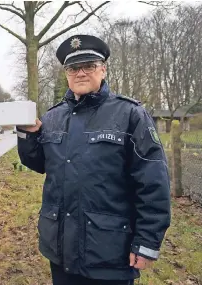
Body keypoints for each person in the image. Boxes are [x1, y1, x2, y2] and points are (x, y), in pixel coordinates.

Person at [16, 35, 171, 285]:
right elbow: (40, 164)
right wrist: (27, 135)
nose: (80, 73)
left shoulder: (130, 114)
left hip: (110, 250)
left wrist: (147, 241)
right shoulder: (53, 116)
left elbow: (153, 182)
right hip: (61, 246)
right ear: (66, 73)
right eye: (73, 68)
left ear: (103, 69)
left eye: (88, 66)